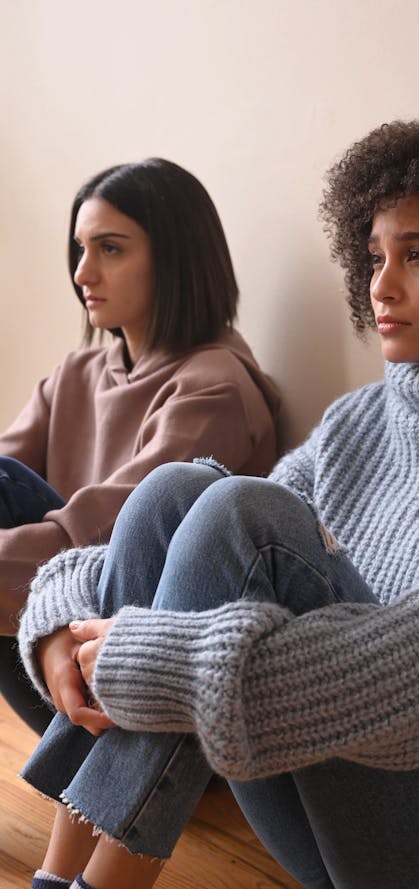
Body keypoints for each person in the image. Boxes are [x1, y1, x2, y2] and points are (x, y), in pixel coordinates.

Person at [18, 117, 419, 889]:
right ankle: (60, 876)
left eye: (418, 255)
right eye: (374, 256)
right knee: (182, 493)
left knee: (246, 515)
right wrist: (57, 628)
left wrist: (157, 662)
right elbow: (140, 548)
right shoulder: (358, 421)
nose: (381, 285)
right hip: (341, 824)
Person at [0, 157, 280, 735]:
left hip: (142, 674)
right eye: (79, 250)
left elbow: (106, 533)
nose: (82, 274)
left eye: (110, 249)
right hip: (54, 624)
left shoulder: (214, 386)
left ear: (175, 259)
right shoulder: (76, 372)